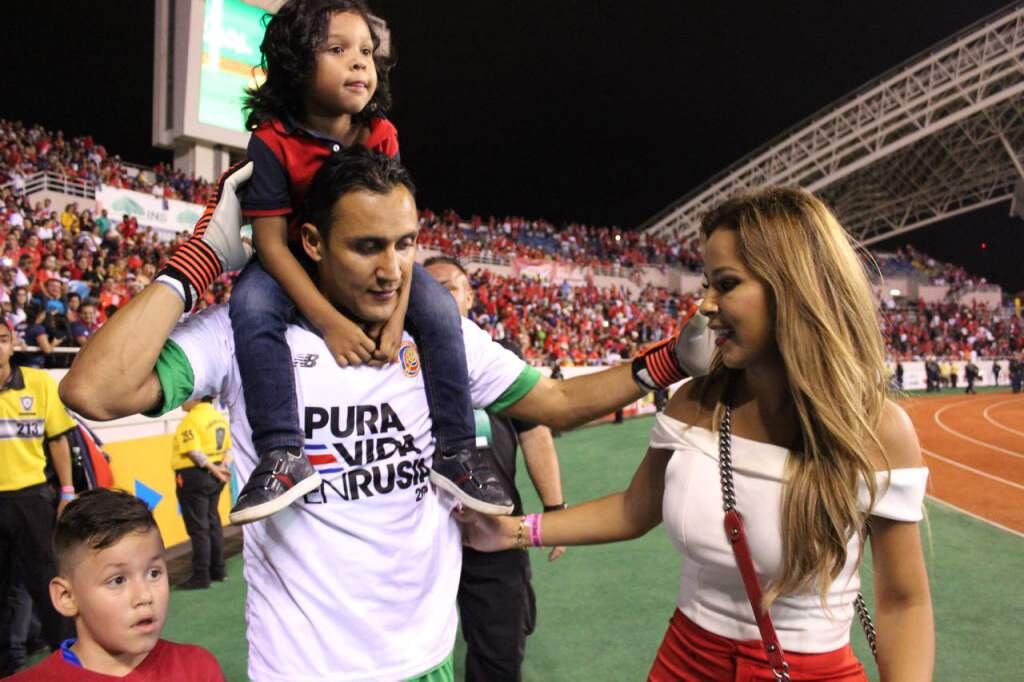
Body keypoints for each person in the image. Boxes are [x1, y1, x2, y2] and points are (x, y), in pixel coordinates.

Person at [59, 150, 715, 681]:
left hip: (424, 661)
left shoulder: (439, 337)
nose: (392, 270)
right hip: (302, 670)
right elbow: (95, 391)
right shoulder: (242, 335)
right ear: (311, 241)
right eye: (367, 246)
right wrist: (198, 263)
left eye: (405, 245)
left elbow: (558, 402)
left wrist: (668, 360)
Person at [458, 187, 934, 681]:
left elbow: (904, 601)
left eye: (726, 284)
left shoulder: (878, 430)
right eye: (706, 284)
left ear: (795, 286)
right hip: (682, 663)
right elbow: (635, 508)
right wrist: (515, 531)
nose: (704, 306)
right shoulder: (695, 402)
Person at [182, 0, 506, 524]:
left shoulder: (381, 134)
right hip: (294, 258)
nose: (359, 62)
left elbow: (396, 231)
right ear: (295, 63)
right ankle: (282, 453)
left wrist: (396, 319)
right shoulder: (270, 141)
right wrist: (330, 322)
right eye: (337, 49)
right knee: (251, 306)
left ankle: (456, 450)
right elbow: (270, 244)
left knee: (439, 309)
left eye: (366, 52)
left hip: (364, 261)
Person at [425, 256, 567, 681]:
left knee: (499, 653)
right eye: (426, 291)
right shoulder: (394, 361)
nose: (437, 299)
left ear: (470, 296)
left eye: (448, 288)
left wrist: (554, 510)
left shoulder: (499, 357)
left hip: (494, 527)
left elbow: (535, 433)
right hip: (422, 534)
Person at [9, 488, 226, 680]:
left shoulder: (198, 669)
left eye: (153, 573)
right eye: (118, 580)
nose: (144, 596)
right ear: (66, 597)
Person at [0, 323, 76, 675]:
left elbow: (58, 440)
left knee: (47, 582)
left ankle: (69, 658)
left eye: (2, 339)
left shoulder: (40, 382)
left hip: (32, 499)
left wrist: (67, 491)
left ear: (12, 343)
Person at [171, 396, 232, 590]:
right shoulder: (218, 417)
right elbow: (229, 448)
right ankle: (218, 570)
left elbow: (194, 452)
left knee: (199, 527)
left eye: (186, 397)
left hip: (195, 475)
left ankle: (201, 575)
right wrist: (222, 468)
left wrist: (213, 469)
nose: (181, 401)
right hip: (216, 475)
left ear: (196, 398)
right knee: (213, 521)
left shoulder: (191, 420)